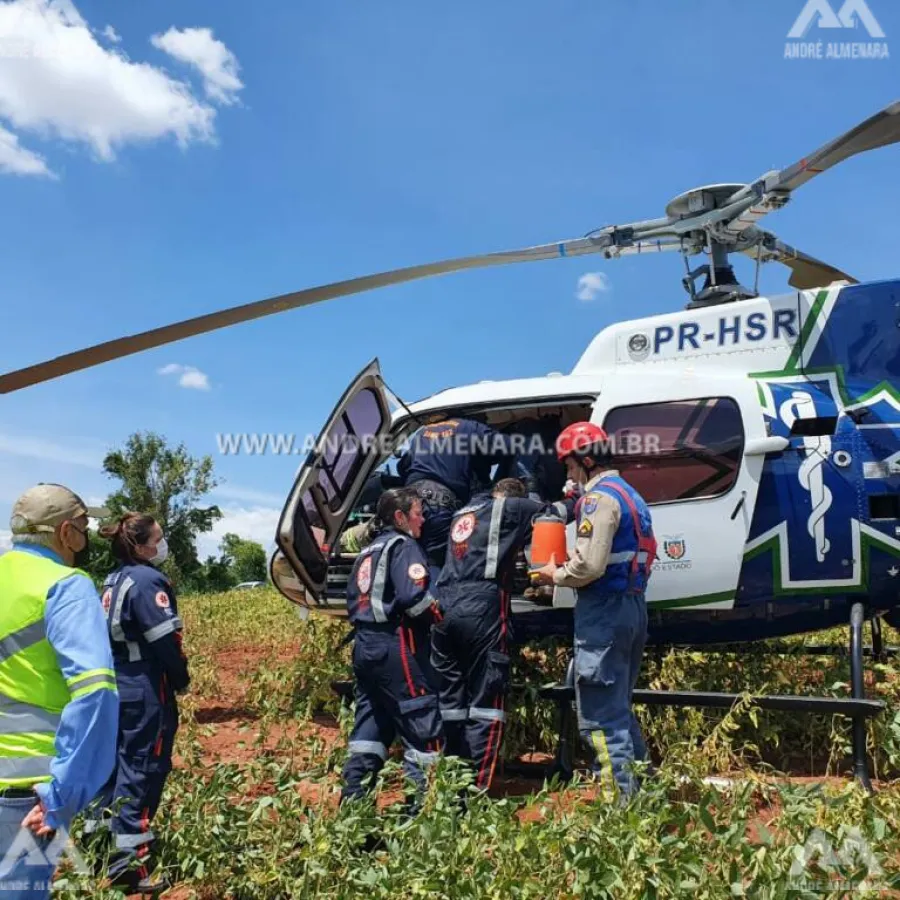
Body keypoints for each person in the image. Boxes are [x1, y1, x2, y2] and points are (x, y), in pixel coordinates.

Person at [0, 484, 118, 899]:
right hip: (27, 796)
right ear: (65, 533)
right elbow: (95, 692)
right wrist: (63, 795)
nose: (85, 540)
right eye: (84, 528)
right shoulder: (66, 585)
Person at [533, 422, 656, 802]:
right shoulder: (632, 495)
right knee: (619, 709)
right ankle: (646, 795)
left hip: (603, 612)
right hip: (632, 608)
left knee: (601, 720)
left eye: (570, 467)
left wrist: (556, 574)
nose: (569, 477)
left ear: (586, 461)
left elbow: (589, 566)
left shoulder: (598, 499)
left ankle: (621, 809)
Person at [430, 478, 573, 790]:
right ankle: (474, 793)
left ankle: (447, 783)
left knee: (452, 702)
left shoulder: (466, 510)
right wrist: (580, 497)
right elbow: (554, 513)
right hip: (481, 608)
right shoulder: (512, 507)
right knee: (487, 699)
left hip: (444, 607)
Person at [84, 514, 190, 894]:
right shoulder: (148, 581)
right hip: (145, 686)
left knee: (112, 771)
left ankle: (98, 849)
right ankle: (129, 866)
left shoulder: (113, 579)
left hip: (116, 682)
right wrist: (181, 679)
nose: (162, 545)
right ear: (142, 546)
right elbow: (165, 642)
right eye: (158, 538)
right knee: (141, 770)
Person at [340, 487, 444, 808]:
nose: (423, 520)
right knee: (423, 729)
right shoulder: (405, 546)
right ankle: (419, 821)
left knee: (368, 735)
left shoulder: (367, 552)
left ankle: (355, 820)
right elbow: (415, 600)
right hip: (395, 647)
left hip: (363, 648)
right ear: (400, 517)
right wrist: (441, 614)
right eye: (418, 513)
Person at [398, 418, 516, 576]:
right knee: (438, 569)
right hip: (438, 506)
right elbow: (508, 446)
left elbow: (403, 466)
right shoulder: (471, 427)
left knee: (409, 563)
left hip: (408, 504)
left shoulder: (422, 432)